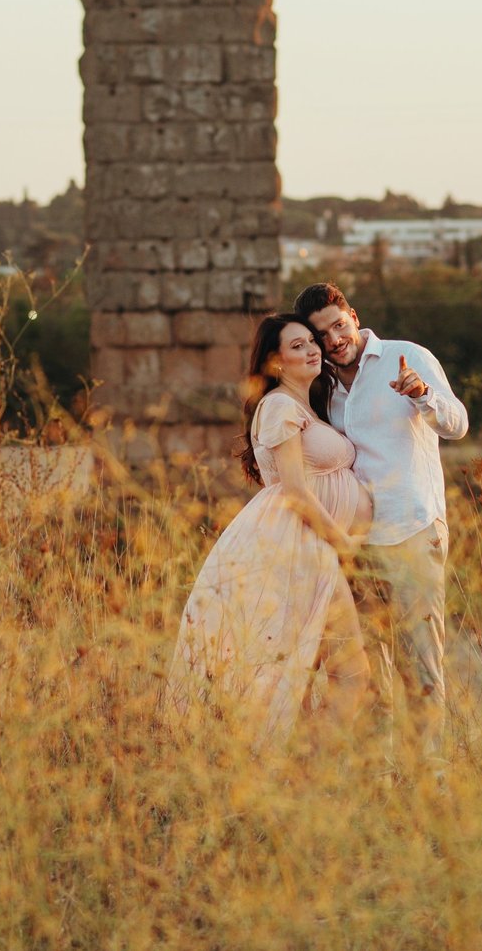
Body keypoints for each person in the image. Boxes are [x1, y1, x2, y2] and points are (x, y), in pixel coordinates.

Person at [168, 313, 375, 746]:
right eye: (297, 346)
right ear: (276, 362)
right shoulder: (280, 405)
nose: (313, 349)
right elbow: (296, 491)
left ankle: (295, 772)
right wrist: (345, 546)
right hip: (301, 547)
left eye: (311, 341)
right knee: (349, 671)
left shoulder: (304, 407)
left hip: (311, 547)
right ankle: (309, 776)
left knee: (301, 669)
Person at [295, 282, 468, 768]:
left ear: (354, 316)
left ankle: (429, 777)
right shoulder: (322, 384)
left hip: (412, 528)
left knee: (420, 660)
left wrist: (422, 393)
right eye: (320, 334)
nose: (333, 340)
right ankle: (385, 777)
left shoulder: (406, 356)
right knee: (371, 666)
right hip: (358, 542)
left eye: (338, 325)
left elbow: (458, 424)